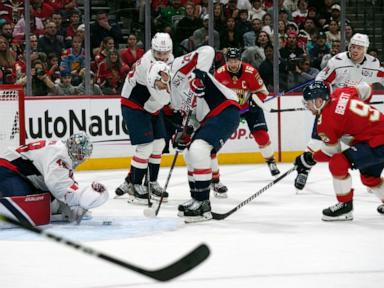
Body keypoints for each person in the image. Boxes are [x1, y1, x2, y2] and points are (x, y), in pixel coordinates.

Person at [295, 33, 384, 191]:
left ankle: (370, 172)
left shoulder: (374, 63)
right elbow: (320, 82)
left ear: (366, 49)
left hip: (354, 111)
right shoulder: (338, 62)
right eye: (353, 46)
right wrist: (328, 101)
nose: (355, 50)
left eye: (359, 47)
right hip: (331, 107)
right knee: (317, 141)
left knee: (363, 141)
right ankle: (304, 170)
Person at [164, 45, 240, 222]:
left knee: (198, 149)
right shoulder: (171, 98)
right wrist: (185, 133)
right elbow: (192, 120)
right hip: (209, 118)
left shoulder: (176, 68)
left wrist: (199, 76)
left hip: (225, 107)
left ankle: (204, 204)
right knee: (189, 153)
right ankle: (197, 198)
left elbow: (207, 51)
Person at [294, 81, 384, 221]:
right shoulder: (341, 92)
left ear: (319, 101)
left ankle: (345, 207)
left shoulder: (325, 122)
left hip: (376, 142)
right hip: (375, 137)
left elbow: (332, 152)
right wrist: (359, 115)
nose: (307, 106)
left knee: (338, 163)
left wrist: (309, 159)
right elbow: (366, 88)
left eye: (309, 103)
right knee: (369, 178)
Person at [0, 132, 109, 226]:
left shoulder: (61, 149)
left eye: (83, 155)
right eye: (79, 153)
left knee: (46, 203)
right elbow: (57, 186)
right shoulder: (60, 155)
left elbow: (61, 183)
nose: (80, 158)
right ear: (71, 147)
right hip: (8, 170)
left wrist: (73, 205)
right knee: (24, 205)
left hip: (18, 173)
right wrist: (80, 198)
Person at [115, 33, 174, 204]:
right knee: (146, 146)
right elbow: (162, 96)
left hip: (150, 103)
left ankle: (151, 182)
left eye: (165, 52)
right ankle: (134, 184)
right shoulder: (148, 64)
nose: (162, 56)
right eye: (158, 52)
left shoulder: (170, 59)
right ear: (152, 49)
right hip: (134, 103)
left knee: (159, 144)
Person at [215, 48, 280, 179]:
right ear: (226, 61)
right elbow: (216, 95)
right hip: (230, 109)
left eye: (236, 61)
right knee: (215, 137)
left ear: (240, 60)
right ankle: (212, 170)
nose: (233, 64)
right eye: (230, 61)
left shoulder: (251, 72)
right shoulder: (219, 74)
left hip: (250, 108)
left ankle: (271, 162)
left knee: (261, 134)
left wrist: (254, 101)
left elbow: (263, 92)